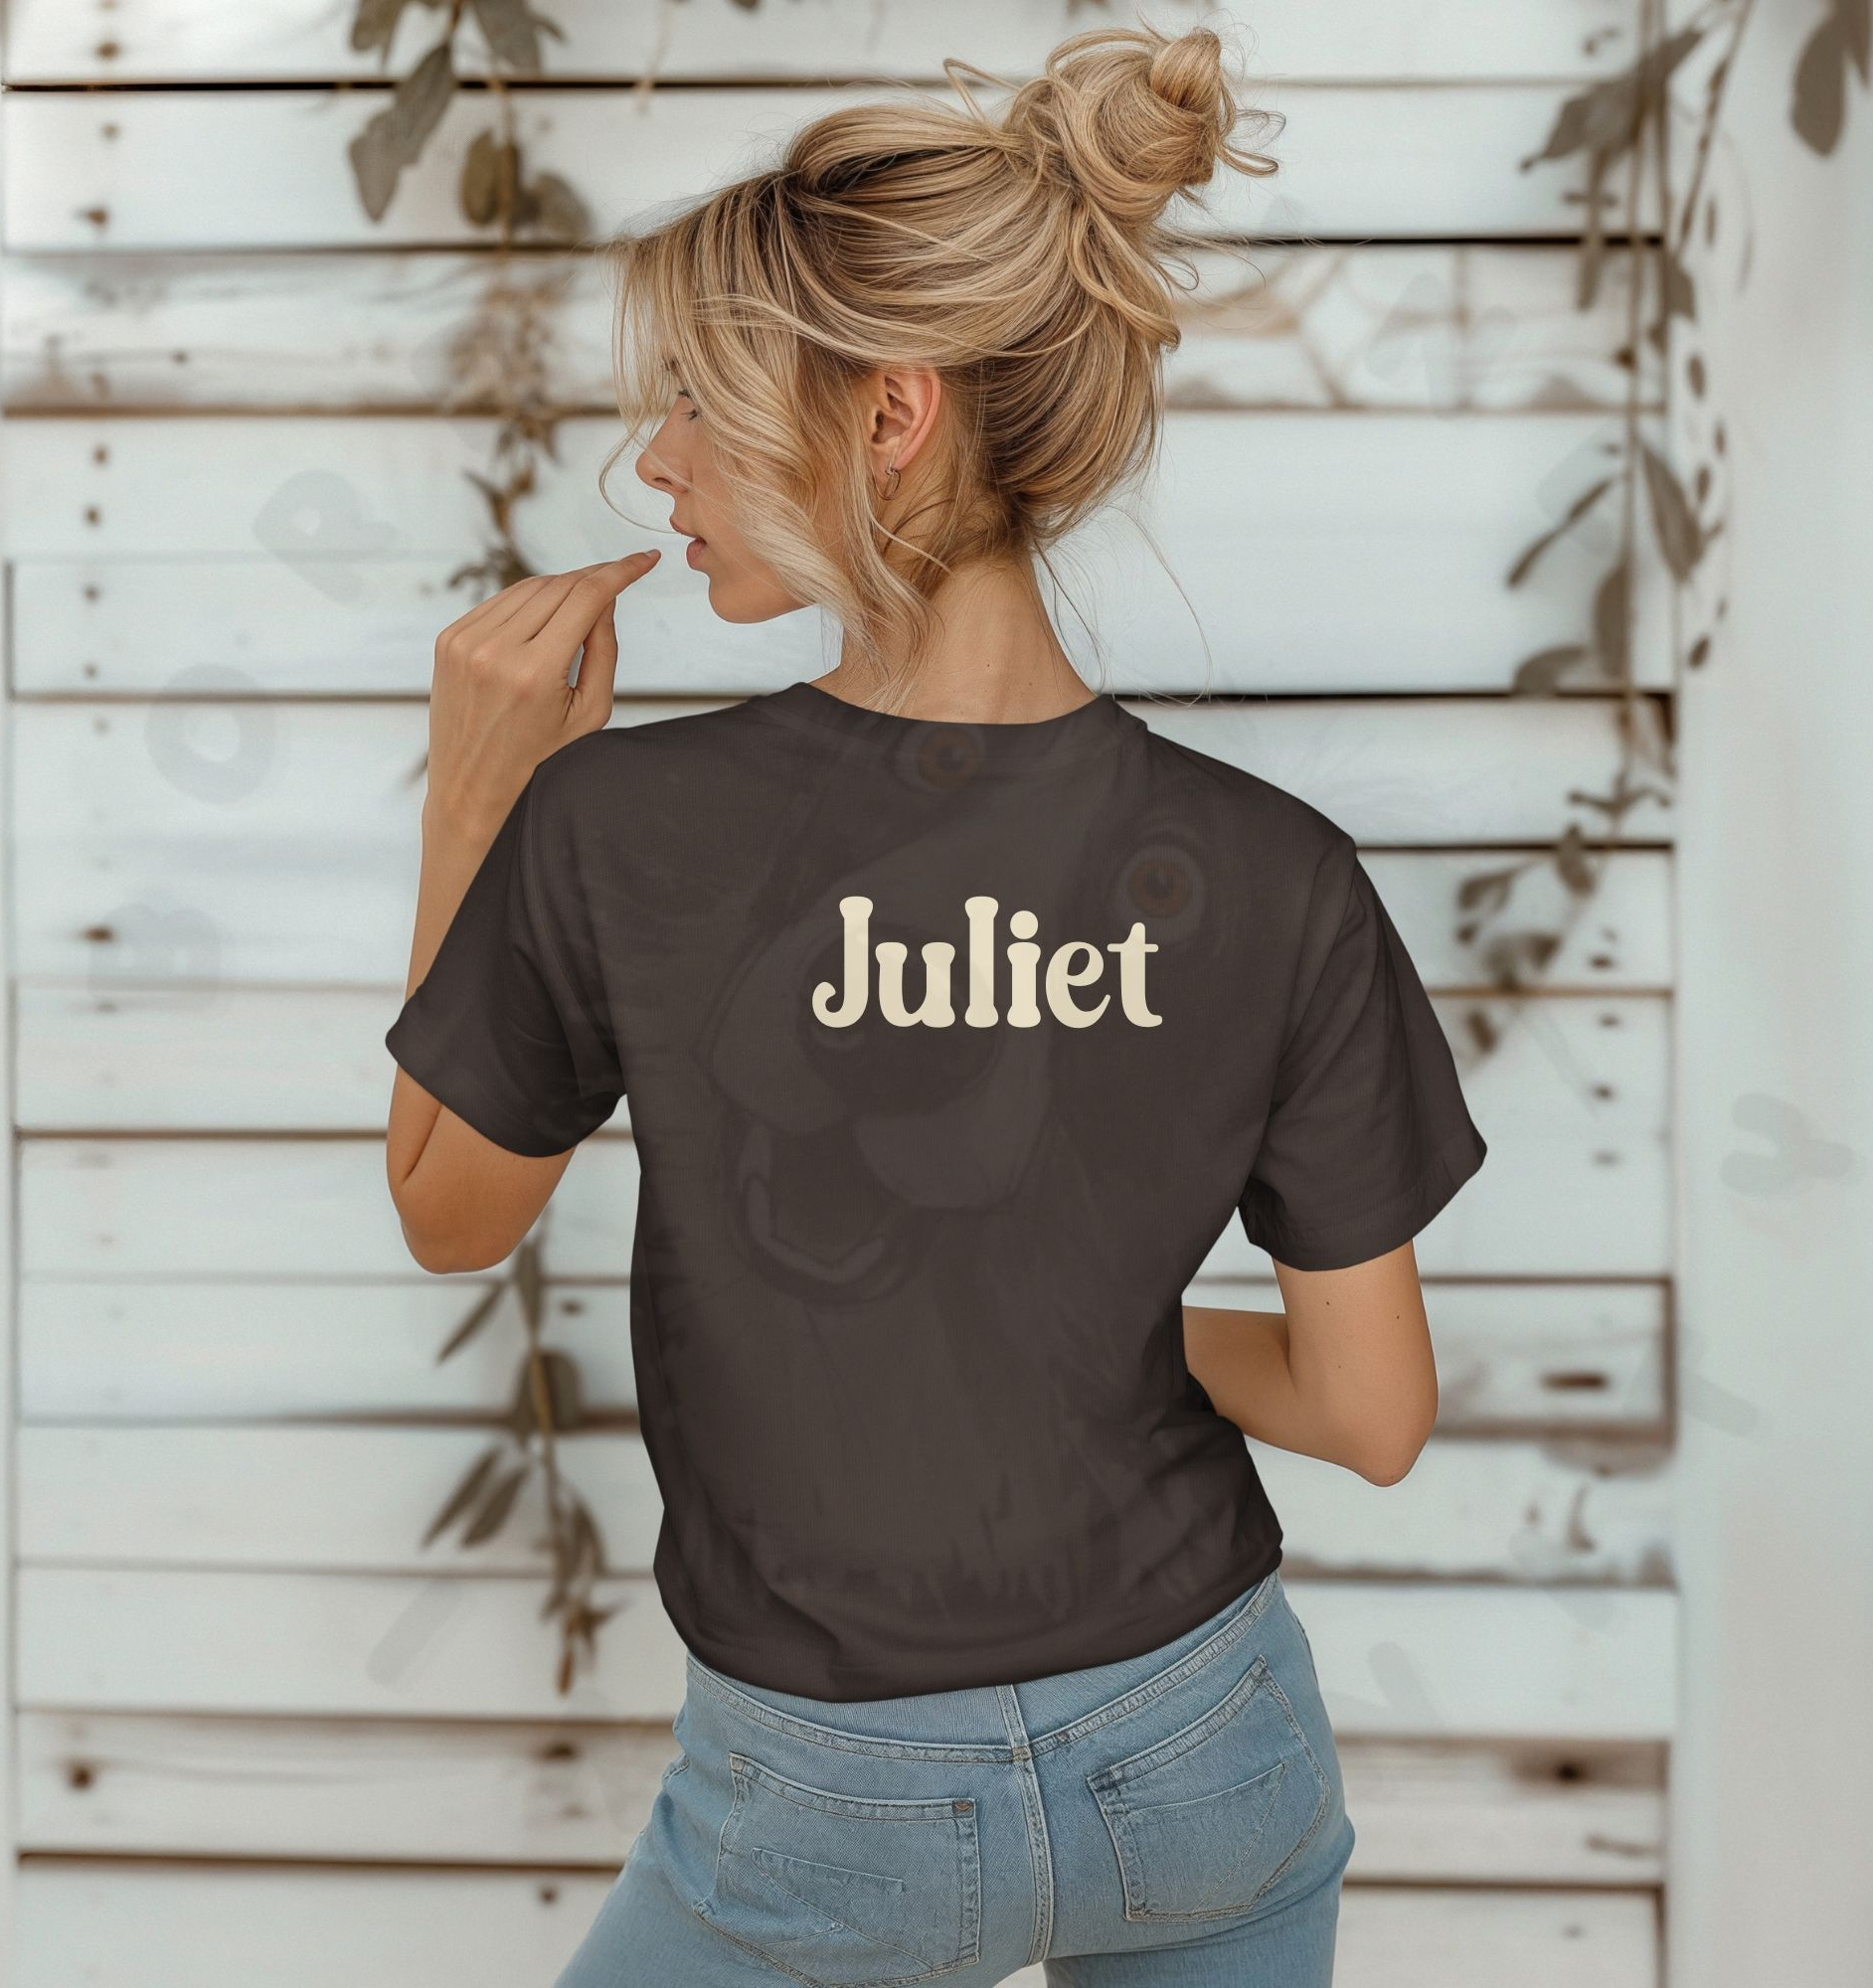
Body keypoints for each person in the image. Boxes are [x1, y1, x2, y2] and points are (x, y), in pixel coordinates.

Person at [383, 21, 1488, 1985]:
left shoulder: (619, 824)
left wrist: (474, 790)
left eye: (702, 409)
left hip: (828, 1806)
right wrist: (1088, 1322)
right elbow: (1373, 1411)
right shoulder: (1277, 867)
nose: (655, 467)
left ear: (890, 417)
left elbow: (448, 1212)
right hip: (1215, 1757)